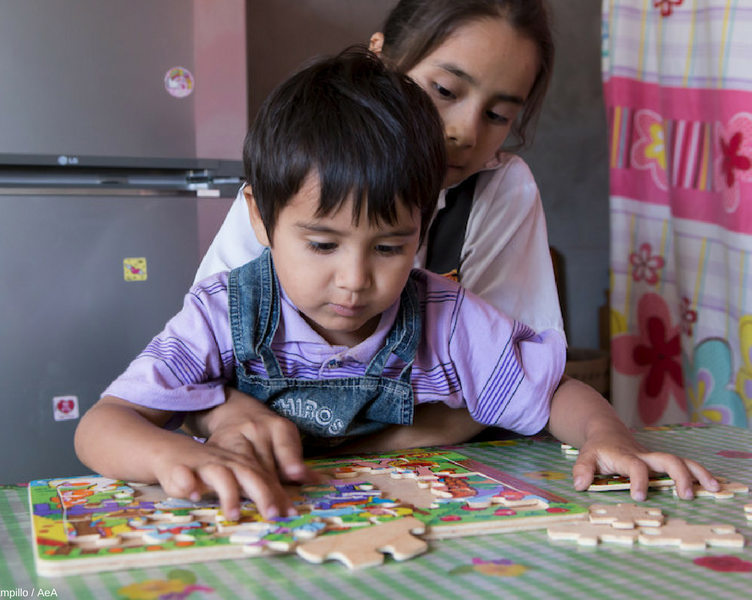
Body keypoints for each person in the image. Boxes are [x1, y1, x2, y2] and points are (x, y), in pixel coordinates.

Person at [186, 0, 720, 510]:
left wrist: (603, 432)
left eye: (498, 114)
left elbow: (515, 388)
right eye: (444, 89)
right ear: (381, 57)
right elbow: (199, 376)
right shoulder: (299, 189)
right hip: (288, 473)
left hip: (450, 472)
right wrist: (232, 416)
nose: (463, 131)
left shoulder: (501, 194)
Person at [75, 47, 568, 521]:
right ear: (260, 220)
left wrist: (607, 436)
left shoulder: (447, 314)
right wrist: (169, 456)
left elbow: (554, 392)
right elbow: (102, 426)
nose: (355, 281)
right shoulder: (225, 311)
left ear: (422, 222)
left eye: (389, 248)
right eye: (324, 246)